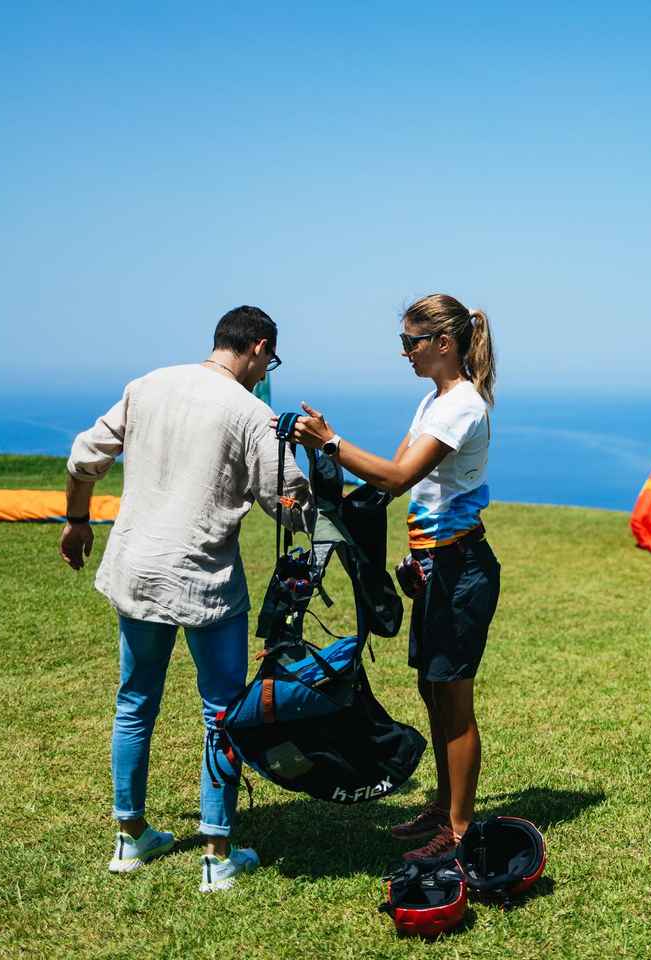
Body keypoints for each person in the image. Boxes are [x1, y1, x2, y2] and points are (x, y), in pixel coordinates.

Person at [61, 305, 311, 893]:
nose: (265, 372)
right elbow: (287, 504)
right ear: (258, 347)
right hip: (205, 578)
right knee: (221, 711)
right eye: (269, 361)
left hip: (137, 569)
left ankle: (130, 837)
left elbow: (83, 457)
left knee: (134, 700)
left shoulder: (148, 385)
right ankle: (217, 855)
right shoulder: (250, 412)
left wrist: (77, 521)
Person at [281, 292, 498, 861]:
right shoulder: (433, 401)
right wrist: (325, 481)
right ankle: (444, 807)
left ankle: (458, 831)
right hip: (434, 567)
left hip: (461, 569)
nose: (404, 352)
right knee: (433, 690)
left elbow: (399, 476)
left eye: (411, 342)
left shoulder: (462, 406)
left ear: (443, 343)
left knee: (454, 700)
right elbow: (385, 481)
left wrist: (331, 443)